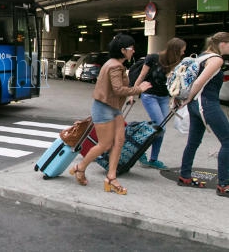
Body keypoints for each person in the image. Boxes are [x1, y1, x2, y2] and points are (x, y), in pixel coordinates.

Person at [69, 34, 151, 195]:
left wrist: (129, 95)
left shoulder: (114, 64)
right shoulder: (115, 66)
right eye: (131, 48)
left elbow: (116, 90)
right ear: (122, 50)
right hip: (104, 108)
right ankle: (80, 167)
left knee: (119, 141)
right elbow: (118, 89)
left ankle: (111, 178)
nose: (133, 51)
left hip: (113, 107)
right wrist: (138, 89)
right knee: (105, 144)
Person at [177, 32, 229, 198]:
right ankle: (224, 184)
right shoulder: (217, 59)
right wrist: (187, 98)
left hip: (196, 105)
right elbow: (199, 82)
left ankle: (184, 176)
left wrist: (188, 101)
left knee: (193, 141)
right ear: (222, 44)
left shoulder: (202, 56)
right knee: (228, 141)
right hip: (206, 104)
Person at [133, 37, 187, 169]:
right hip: (149, 95)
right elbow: (141, 75)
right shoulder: (153, 58)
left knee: (161, 128)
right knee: (160, 127)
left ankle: (153, 159)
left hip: (163, 98)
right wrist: (133, 92)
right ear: (175, 50)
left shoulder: (177, 63)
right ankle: (139, 151)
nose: (183, 53)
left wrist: (177, 98)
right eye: (182, 50)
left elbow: (175, 84)